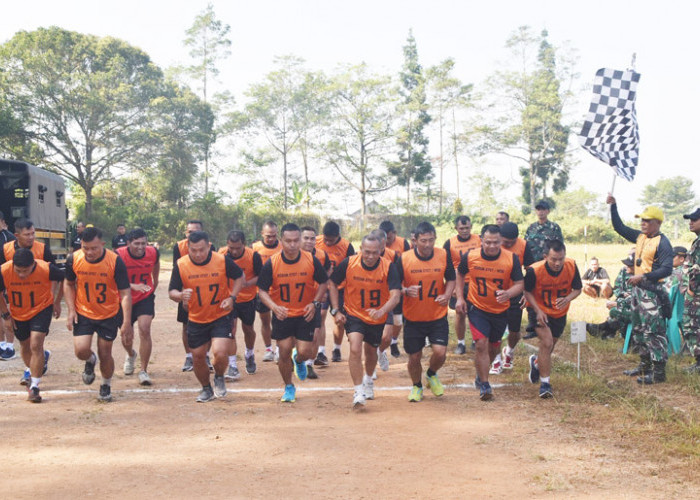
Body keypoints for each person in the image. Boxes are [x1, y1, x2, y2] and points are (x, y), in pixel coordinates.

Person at [257, 223, 329, 403]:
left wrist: (315, 303)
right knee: (284, 350)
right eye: (288, 241)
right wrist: (274, 307)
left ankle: (298, 360)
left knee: (306, 352)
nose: (292, 244)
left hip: (306, 314)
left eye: (296, 240)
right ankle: (289, 386)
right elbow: (262, 291)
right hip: (283, 314)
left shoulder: (311, 260)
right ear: (281, 241)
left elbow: (323, 283)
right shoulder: (272, 263)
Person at [169, 231, 244, 402]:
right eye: (193, 250)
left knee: (220, 352)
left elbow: (240, 277)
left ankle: (218, 376)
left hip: (220, 315)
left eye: (201, 250)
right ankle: (206, 388)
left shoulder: (222, 260)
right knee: (198, 356)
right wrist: (180, 295)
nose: (198, 254)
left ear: (209, 246)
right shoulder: (181, 265)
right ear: (187, 248)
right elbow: (171, 292)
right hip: (196, 318)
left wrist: (232, 297)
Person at [608, 194, 673, 384]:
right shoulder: (641, 237)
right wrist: (614, 207)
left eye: (647, 221)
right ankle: (644, 365)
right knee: (639, 329)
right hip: (638, 291)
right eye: (642, 220)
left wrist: (643, 276)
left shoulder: (663, 243)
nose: (643, 224)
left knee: (654, 331)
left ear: (657, 223)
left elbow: (667, 268)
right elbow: (619, 228)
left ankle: (659, 372)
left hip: (652, 292)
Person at [330, 234, 401, 407]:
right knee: (355, 347)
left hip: (376, 316)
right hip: (354, 314)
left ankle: (368, 379)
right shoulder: (349, 263)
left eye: (375, 253)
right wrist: (336, 310)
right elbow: (332, 283)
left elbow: (396, 295)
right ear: (360, 249)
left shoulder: (388, 267)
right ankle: (358, 390)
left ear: (381, 251)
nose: (370, 256)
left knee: (371, 352)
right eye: (367, 252)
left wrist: (382, 311)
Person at [64, 226, 133, 402]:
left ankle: (105, 384)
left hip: (108, 313)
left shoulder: (115, 261)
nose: (89, 252)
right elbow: (68, 283)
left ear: (102, 244)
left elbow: (125, 293)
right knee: (81, 350)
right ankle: (90, 360)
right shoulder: (74, 259)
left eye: (94, 248)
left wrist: (126, 322)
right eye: (85, 248)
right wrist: (71, 310)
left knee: (105, 352)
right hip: (84, 312)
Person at [455, 225, 523, 401]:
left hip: (500, 310)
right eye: (488, 242)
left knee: (493, 347)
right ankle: (485, 385)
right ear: (481, 240)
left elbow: (519, 284)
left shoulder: (511, 258)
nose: (492, 246)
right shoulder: (471, 256)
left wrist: (508, 293)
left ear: (501, 241)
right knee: (481, 344)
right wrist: (461, 298)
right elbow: (460, 274)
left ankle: (480, 374)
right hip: (477, 307)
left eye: (496, 243)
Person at [397, 221, 455, 402]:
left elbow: (451, 278)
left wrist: (447, 294)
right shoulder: (404, 258)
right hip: (413, 317)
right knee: (414, 357)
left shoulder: (443, 255)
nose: (428, 245)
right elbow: (394, 285)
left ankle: (431, 374)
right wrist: (406, 290)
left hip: (437, 314)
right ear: (414, 240)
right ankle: (417, 386)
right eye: (423, 241)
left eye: (431, 240)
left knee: (440, 352)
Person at [0, 249, 63, 402]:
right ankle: (40, 360)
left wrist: (57, 301)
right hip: (19, 312)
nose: (21, 274)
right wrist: (6, 315)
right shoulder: (4, 271)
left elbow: (67, 279)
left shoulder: (46, 269)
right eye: (18, 270)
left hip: (41, 308)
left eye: (25, 271)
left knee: (36, 344)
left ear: (33, 264)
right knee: (25, 345)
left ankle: (34, 386)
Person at [523, 239, 582, 398]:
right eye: (553, 259)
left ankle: (536, 363)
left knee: (550, 346)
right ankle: (545, 384)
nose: (558, 263)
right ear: (545, 257)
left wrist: (568, 298)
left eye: (561, 259)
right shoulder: (534, 270)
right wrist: (537, 310)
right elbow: (527, 292)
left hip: (559, 312)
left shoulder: (571, 265)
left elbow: (578, 289)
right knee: (547, 342)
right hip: (539, 309)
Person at [1, 218, 57, 362]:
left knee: (36, 339)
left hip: (40, 301)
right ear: (17, 235)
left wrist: (53, 297)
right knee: (25, 342)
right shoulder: (6, 250)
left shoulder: (42, 249)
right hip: (16, 299)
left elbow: (55, 274)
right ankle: (39, 359)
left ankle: (35, 365)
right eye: (27, 234)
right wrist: (5, 314)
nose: (31, 237)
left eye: (33, 233)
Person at [489, 222, 535, 374]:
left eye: (511, 242)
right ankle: (496, 361)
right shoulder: (494, 245)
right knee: (494, 329)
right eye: (505, 241)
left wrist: (528, 293)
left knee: (514, 331)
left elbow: (530, 271)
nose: (507, 244)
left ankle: (509, 351)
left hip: (515, 291)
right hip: (495, 292)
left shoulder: (523, 245)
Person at [116, 228, 159, 385]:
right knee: (126, 334)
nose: (141, 247)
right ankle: (131, 354)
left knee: (145, 329)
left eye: (143, 243)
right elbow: (112, 279)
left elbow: (156, 265)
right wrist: (132, 286)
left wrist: (155, 282)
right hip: (123, 298)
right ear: (128, 243)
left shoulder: (153, 252)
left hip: (144, 297)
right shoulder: (119, 255)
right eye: (136, 244)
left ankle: (144, 370)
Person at [218, 230, 263, 379]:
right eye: (231, 247)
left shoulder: (253, 256)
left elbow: (261, 277)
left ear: (244, 244)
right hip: (229, 298)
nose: (235, 251)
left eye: (238, 247)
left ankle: (249, 353)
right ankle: (232, 365)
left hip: (248, 298)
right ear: (227, 245)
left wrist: (247, 283)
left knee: (248, 330)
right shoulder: (221, 255)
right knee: (231, 329)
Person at [173, 220, 214, 371]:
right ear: (186, 233)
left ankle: (206, 355)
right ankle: (189, 357)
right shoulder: (179, 247)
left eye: (196, 231)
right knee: (186, 325)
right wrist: (182, 295)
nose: (193, 234)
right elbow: (177, 272)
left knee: (208, 324)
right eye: (190, 232)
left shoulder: (209, 247)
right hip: (187, 292)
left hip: (205, 292)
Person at [315, 221, 355, 362]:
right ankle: (321, 352)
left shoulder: (346, 246)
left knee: (339, 320)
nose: (327, 242)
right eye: (325, 238)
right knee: (320, 316)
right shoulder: (316, 242)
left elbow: (351, 268)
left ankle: (337, 349)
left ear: (338, 236)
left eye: (330, 240)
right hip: (321, 286)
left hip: (339, 288)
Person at [443, 215, 481, 354]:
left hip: (476, 283)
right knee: (460, 312)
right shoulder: (449, 243)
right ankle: (461, 343)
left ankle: (476, 340)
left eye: (467, 228)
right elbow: (446, 267)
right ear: (456, 228)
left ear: (471, 227)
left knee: (477, 313)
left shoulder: (479, 240)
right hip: (459, 282)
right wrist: (451, 286)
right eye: (462, 228)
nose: (465, 230)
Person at [300, 226, 330, 378]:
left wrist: (322, 292)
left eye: (312, 238)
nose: (309, 241)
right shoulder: (289, 255)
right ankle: (297, 357)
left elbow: (327, 274)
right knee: (295, 337)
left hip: (314, 301)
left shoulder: (322, 255)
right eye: (306, 238)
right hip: (294, 302)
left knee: (315, 333)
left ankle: (309, 364)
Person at [586, 254, 635, 340]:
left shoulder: (643, 277)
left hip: (640, 311)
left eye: (629, 265)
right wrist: (622, 295)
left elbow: (639, 300)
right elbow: (617, 287)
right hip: (626, 301)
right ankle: (607, 331)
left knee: (615, 311)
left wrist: (618, 304)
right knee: (615, 310)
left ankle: (605, 329)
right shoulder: (624, 271)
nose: (626, 266)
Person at [252, 221, 281, 362]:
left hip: (279, 290)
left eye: (274, 235)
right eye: (268, 236)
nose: (271, 238)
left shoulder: (282, 247)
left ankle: (279, 349)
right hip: (262, 291)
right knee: (265, 320)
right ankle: (268, 348)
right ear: (262, 234)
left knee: (280, 319)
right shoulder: (255, 248)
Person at [379, 220, 409, 358]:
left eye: (388, 238)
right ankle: (380, 348)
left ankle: (394, 341)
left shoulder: (402, 245)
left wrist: (403, 287)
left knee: (398, 320)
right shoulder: (374, 245)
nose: (385, 241)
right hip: (379, 290)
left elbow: (409, 262)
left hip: (396, 287)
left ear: (393, 234)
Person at [680, 208, 700, 372]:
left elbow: (697, 270)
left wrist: (691, 291)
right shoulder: (697, 241)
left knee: (692, 326)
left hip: (696, 294)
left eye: (694, 219)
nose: (690, 222)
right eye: (689, 219)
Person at [0, 211, 15, 360]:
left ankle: (10, 346)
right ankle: (2, 344)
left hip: (6, 281)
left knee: (7, 314)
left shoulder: (8, 238)